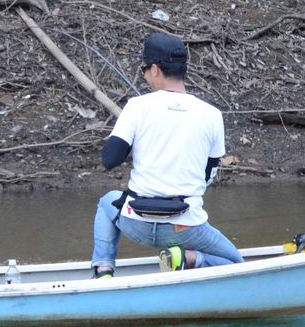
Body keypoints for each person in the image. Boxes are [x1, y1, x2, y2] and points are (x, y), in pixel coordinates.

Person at [91, 32, 240, 278]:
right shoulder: (212, 114)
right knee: (237, 263)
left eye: (144, 69)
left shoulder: (136, 107)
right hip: (185, 228)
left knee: (108, 201)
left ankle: (104, 268)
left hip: (136, 223)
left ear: (156, 69)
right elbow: (208, 174)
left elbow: (109, 159)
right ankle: (189, 259)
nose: (145, 75)